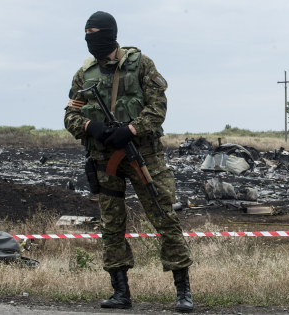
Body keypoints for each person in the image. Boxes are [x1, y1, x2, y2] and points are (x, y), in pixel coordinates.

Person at [64, 11, 193, 312]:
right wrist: (90, 127)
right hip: (104, 158)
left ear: (109, 33)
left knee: (164, 217)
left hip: (143, 155)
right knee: (111, 225)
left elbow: (158, 106)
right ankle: (121, 292)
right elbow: (70, 115)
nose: (89, 38)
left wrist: (131, 130)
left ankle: (183, 292)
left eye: (94, 32)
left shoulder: (140, 65)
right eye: (86, 33)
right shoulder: (84, 75)